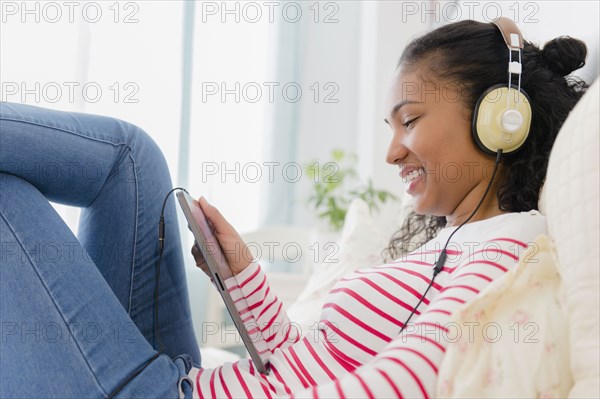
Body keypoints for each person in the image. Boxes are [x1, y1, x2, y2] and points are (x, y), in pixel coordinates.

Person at [0, 18, 587, 398]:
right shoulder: (448, 244)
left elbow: (411, 383)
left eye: (410, 121)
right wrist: (243, 275)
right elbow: (302, 363)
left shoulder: (511, 248)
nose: (390, 151)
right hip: (194, 381)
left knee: (10, 197)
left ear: (499, 120)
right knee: (134, 161)